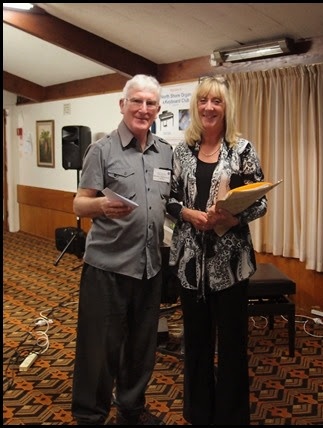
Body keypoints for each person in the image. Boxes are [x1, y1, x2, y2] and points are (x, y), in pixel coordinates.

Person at [71, 74, 173, 425]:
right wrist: (100, 206)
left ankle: (131, 409)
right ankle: (90, 416)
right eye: (137, 101)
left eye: (150, 103)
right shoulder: (101, 149)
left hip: (149, 267)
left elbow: (167, 203)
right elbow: (78, 204)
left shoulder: (166, 152)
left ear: (157, 109)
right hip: (108, 268)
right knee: (99, 350)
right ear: (123, 105)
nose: (143, 109)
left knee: (141, 348)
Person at [166, 76, 267, 425]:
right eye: (204, 100)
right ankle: (199, 413)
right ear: (196, 106)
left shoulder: (242, 150)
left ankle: (232, 416)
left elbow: (261, 201)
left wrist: (232, 217)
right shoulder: (180, 151)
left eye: (217, 101)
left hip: (232, 265)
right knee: (195, 344)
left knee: (233, 345)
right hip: (190, 266)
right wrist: (186, 213)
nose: (209, 107)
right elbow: (170, 200)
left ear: (226, 107)